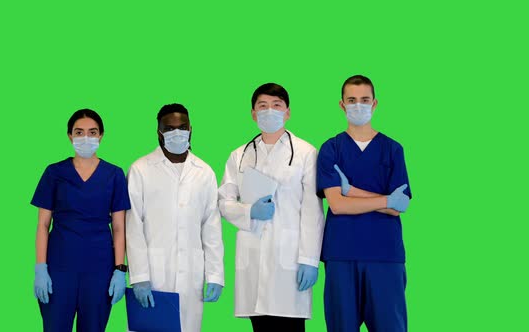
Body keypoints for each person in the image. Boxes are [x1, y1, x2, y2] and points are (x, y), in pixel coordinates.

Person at [218, 83, 324, 332]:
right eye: (262, 106)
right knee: (260, 326)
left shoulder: (305, 153)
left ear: (287, 112)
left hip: (289, 260)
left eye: (277, 106)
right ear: (253, 114)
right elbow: (223, 201)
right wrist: (248, 212)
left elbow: (312, 211)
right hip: (253, 258)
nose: (269, 111)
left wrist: (310, 259)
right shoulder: (239, 155)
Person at [316, 75, 412, 331]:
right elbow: (337, 205)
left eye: (364, 100)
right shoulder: (331, 149)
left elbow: (399, 206)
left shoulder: (393, 149)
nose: (358, 105)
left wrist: (353, 191)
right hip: (341, 255)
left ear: (375, 103)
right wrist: (385, 200)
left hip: (385, 256)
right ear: (342, 105)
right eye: (352, 100)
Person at [125, 103, 225, 332]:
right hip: (153, 273)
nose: (176, 133)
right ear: (159, 132)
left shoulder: (204, 172)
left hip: (192, 274)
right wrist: (139, 275)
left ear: (191, 129)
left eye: (182, 127)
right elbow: (133, 225)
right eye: (169, 128)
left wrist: (216, 274)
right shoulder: (140, 169)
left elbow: (211, 227)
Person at [31, 109, 130, 332]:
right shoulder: (54, 173)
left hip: (99, 269)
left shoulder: (114, 175)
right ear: (70, 136)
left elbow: (119, 227)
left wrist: (120, 270)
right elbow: (42, 225)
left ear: (101, 135)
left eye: (92, 132)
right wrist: (40, 267)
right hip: (58, 268)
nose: (86, 137)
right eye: (79, 132)